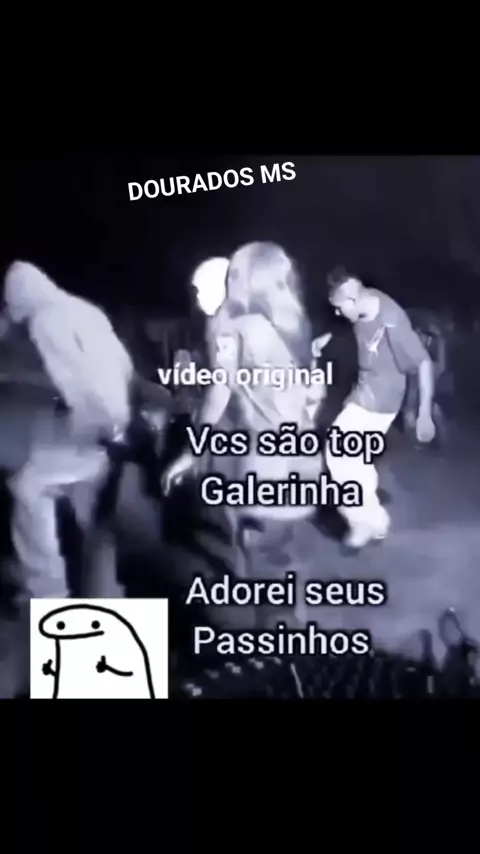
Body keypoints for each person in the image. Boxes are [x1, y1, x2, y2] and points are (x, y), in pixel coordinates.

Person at [3, 261, 134, 599]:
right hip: (113, 428)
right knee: (94, 521)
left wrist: (83, 419)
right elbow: (124, 364)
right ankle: (105, 591)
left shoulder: (46, 319)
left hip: (89, 425)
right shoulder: (88, 311)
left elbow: (70, 376)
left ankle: (47, 589)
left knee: (29, 488)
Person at [325, 267, 435, 550]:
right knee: (355, 459)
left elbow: (422, 362)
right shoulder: (364, 301)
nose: (337, 313)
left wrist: (424, 413)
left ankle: (365, 521)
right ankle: (375, 520)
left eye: (339, 307)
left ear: (352, 299)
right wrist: (327, 338)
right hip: (366, 392)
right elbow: (352, 328)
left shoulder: (391, 320)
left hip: (379, 400)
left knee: (338, 453)